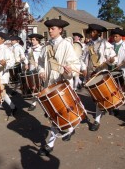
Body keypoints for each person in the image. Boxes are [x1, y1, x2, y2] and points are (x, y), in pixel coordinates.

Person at [36, 19, 81, 156]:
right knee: (55, 114)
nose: (50, 31)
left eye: (53, 28)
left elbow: (75, 64)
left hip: (63, 85)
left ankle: (50, 145)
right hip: (49, 85)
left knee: (57, 114)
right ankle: (70, 128)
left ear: (60, 30)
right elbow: (40, 62)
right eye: (49, 28)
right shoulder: (45, 46)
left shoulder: (67, 45)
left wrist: (70, 70)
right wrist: (41, 71)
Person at [82, 24, 117, 131]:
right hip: (91, 73)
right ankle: (105, 107)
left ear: (98, 33)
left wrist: (111, 60)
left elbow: (113, 58)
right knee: (95, 96)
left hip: (101, 73)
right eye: (90, 32)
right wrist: (84, 69)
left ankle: (97, 120)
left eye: (94, 32)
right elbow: (83, 59)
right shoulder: (88, 45)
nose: (91, 34)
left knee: (99, 96)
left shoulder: (105, 44)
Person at [24, 33, 43, 111]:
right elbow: (27, 57)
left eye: (33, 40)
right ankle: (33, 103)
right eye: (31, 40)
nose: (32, 41)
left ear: (38, 40)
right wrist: (26, 64)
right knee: (34, 86)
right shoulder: (30, 49)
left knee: (43, 86)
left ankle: (45, 104)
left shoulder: (42, 48)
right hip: (32, 69)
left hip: (40, 69)